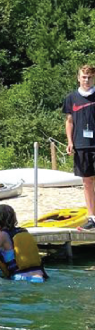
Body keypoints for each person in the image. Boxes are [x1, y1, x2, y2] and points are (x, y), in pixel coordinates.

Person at [63, 64, 95, 230]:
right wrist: (70, 141)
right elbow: (69, 121)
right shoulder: (71, 98)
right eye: (84, 77)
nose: (86, 80)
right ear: (78, 78)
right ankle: (92, 217)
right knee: (87, 181)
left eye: (89, 77)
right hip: (81, 144)